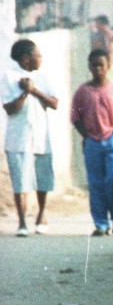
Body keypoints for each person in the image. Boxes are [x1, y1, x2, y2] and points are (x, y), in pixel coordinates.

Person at [70, 49, 113, 236]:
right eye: (94, 65)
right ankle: (101, 224)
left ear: (108, 66)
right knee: (96, 183)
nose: (98, 69)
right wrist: (87, 136)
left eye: (101, 65)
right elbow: (75, 117)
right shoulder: (82, 91)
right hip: (92, 144)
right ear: (89, 66)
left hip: (112, 141)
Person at [4, 39, 59, 237]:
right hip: (18, 138)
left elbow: (54, 103)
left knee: (42, 178)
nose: (41, 59)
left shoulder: (43, 77)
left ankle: (41, 215)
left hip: (41, 136)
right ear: (27, 58)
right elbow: (10, 109)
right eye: (38, 56)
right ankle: (21, 222)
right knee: (21, 181)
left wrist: (34, 90)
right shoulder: (9, 77)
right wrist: (24, 93)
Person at [90, 16, 113, 81]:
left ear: (103, 24)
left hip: (110, 68)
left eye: (97, 25)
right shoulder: (97, 38)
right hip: (98, 67)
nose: (96, 27)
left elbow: (110, 51)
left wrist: (103, 40)